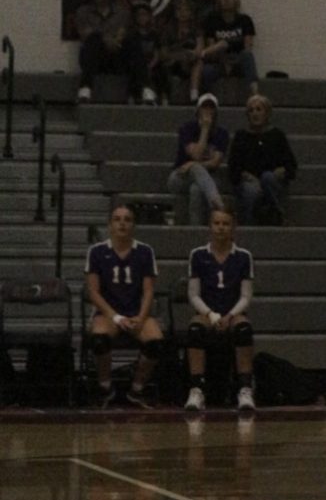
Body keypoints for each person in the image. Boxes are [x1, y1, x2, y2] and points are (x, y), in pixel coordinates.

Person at [84, 202, 164, 408]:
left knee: (155, 342)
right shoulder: (97, 252)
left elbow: (148, 291)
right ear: (109, 225)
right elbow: (93, 292)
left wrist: (140, 317)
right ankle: (105, 388)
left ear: (134, 225)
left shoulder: (145, 252)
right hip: (108, 313)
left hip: (136, 312)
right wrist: (116, 317)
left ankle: (136, 390)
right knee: (99, 340)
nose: (122, 224)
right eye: (117, 219)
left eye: (127, 220)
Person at [183, 202, 257, 415]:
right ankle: (197, 389)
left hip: (233, 311)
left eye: (226, 223)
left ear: (233, 227)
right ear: (210, 226)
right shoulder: (197, 255)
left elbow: (246, 296)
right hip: (208, 312)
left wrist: (230, 315)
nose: (221, 227)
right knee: (195, 330)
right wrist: (212, 315)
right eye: (216, 223)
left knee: (243, 329)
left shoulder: (243, 256)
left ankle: (245, 389)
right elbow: (193, 294)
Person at [228, 93, 298, 225]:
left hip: (272, 181)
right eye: (251, 110)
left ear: (267, 113)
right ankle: (249, 225)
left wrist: (282, 171)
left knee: (267, 177)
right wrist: (245, 175)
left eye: (259, 109)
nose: (255, 113)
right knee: (252, 191)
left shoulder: (277, 135)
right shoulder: (241, 136)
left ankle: (279, 216)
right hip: (248, 182)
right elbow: (233, 168)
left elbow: (291, 166)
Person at [74, 0, 137, 103]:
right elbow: (85, 34)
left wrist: (113, 42)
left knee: (133, 43)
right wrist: (105, 39)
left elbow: (122, 33)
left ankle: (143, 90)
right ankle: (85, 88)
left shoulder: (122, 13)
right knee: (94, 39)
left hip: (116, 57)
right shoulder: (83, 12)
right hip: (94, 58)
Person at [167, 92, 229, 226]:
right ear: (198, 110)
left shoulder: (222, 133)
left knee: (196, 189)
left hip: (208, 179)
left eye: (211, 108)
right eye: (204, 107)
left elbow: (215, 162)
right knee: (196, 167)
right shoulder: (187, 129)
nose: (207, 111)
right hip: (180, 176)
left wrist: (192, 164)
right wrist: (205, 129)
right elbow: (197, 155)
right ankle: (217, 203)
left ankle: (196, 229)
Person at [197, 0, 258, 98]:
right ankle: (207, 101)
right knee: (206, 71)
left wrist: (231, 60)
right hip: (219, 60)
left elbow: (248, 47)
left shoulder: (245, 20)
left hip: (239, 61)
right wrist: (223, 59)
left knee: (248, 56)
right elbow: (212, 48)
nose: (226, 0)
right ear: (219, 1)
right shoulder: (212, 21)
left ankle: (255, 95)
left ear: (236, 1)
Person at [158, 0, 202, 104]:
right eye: (179, 10)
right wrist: (179, 55)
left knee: (199, 62)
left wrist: (190, 55)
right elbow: (163, 54)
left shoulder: (196, 28)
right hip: (173, 62)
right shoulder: (167, 29)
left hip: (189, 62)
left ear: (191, 13)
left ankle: (194, 94)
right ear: (175, 12)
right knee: (162, 66)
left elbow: (199, 49)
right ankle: (164, 99)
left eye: (186, 10)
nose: (183, 13)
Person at [124, 0, 163, 106]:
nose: (142, 17)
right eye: (139, 15)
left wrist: (150, 66)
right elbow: (130, 54)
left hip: (151, 64)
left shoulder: (154, 34)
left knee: (162, 70)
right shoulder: (131, 35)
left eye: (144, 14)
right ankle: (140, 93)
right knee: (137, 68)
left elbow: (157, 53)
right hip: (134, 65)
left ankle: (162, 97)